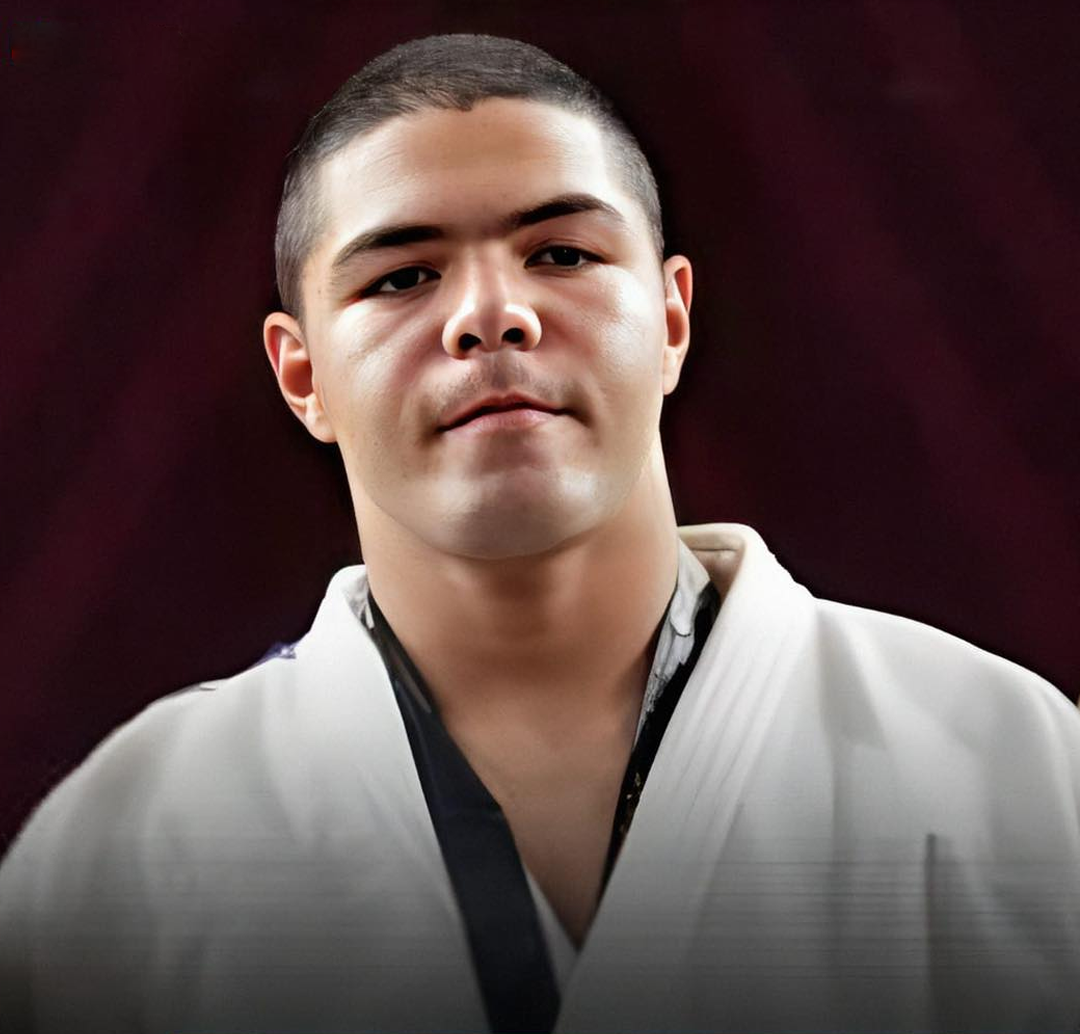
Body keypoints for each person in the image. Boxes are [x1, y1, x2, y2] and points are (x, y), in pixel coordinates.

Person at [1, 33, 1078, 1034]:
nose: (491, 314)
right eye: (402, 276)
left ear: (671, 319)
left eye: (561, 253)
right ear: (302, 374)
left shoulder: (1012, 769)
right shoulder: (121, 852)